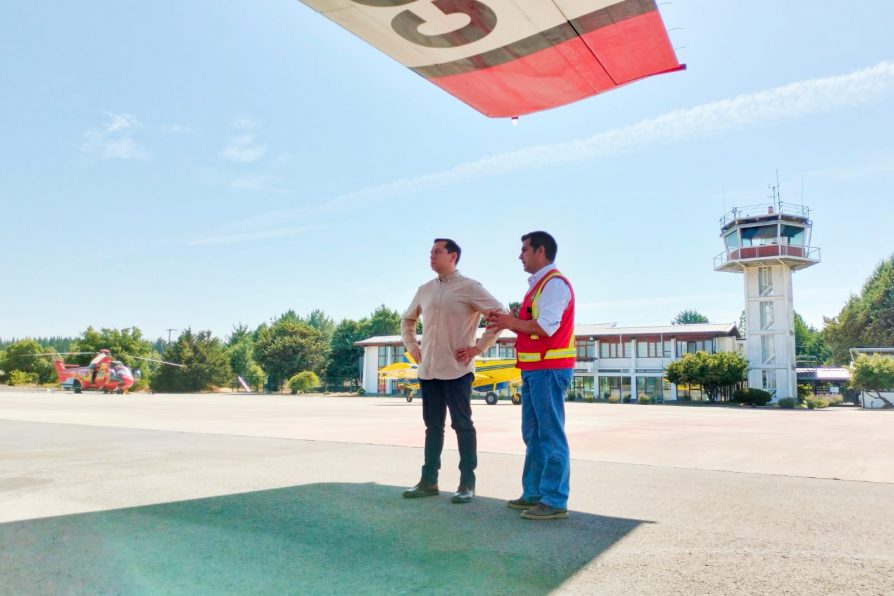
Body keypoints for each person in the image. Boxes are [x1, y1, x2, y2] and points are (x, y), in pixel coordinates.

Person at [401, 238, 506, 504]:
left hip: (457, 370)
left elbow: (500, 315)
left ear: (453, 256)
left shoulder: (470, 287)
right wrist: (412, 345)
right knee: (432, 427)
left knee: (462, 425)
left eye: (437, 252)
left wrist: (479, 347)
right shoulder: (424, 289)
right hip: (428, 371)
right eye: (430, 252)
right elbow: (407, 319)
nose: (431, 256)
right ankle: (428, 481)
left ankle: (467, 483)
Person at [487, 231, 575, 520]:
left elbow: (547, 327)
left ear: (540, 251)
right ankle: (535, 494)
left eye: (524, 249)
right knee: (534, 434)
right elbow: (533, 326)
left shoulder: (554, 284)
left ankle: (554, 500)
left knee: (549, 435)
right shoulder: (539, 287)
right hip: (535, 369)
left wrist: (512, 321)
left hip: (548, 369)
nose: (520, 255)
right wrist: (511, 322)